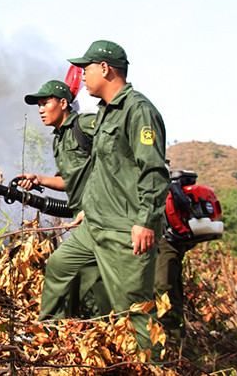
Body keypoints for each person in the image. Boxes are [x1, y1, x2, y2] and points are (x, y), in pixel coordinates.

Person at [39, 40, 169, 352]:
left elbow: (153, 169)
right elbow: (99, 170)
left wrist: (147, 221)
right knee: (59, 265)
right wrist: (87, 207)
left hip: (125, 229)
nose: (82, 76)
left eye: (87, 68)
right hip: (95, 224)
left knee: (135, 309)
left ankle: (151, 367)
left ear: (105, 69)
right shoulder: (106, 113)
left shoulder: (138, 111)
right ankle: (51, 338)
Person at [18, 80, 110, 318]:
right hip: (85, 215)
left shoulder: (86, 125)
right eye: (38, 105)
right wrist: (39, 179)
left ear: (63, 103)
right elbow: (67, 180)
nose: (40, 109)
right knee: (95, 283)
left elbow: (113, 162)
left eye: (45, 103)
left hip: (101, 213)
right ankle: (95, 332)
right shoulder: (59, 139)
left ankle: (48, 330)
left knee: (60, 264)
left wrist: (91, 206)